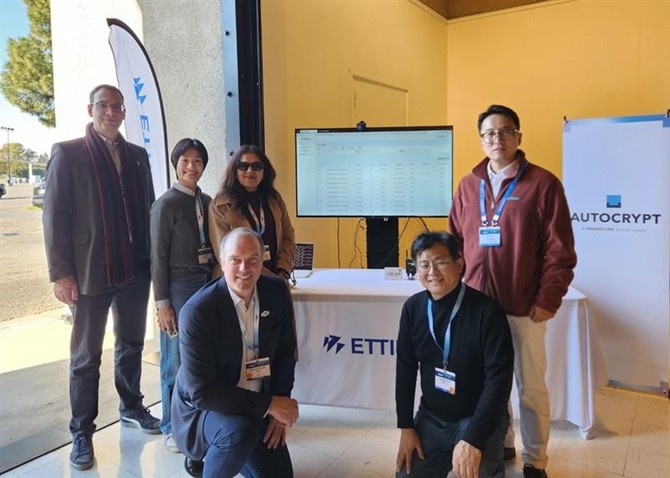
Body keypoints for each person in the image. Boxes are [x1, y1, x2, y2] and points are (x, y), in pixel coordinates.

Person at [449, 104, 577, 478]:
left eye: (506, 131)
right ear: (481, 140)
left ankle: (535, 460)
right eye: (490, 133)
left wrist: (547, 299)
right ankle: (502, 441)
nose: (498, 139)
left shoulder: (543, 184)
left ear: (519, 136)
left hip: (524, 308)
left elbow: (560, 251)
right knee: (489, 384)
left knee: (531, 389)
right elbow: (455, 243)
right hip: (477, 308)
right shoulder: (468, 185)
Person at [42, 84, 160, 471]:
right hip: (90, 271)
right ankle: (81, 431)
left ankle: (131, 406)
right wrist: (61, 273)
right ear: (90, 109)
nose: (111, 112)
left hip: (135, 269)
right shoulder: (68, 153)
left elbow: (148, 210)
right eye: (103, 105)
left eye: (117, 106)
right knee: (85, 357)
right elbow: (54, 216)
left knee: (131, 344)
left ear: (125, 111)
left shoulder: (137, 156)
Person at [171, 227, 299, 478]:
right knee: (239, 433)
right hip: (207, 408)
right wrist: (270, 405)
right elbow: (202, 393)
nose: (244, 269)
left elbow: (285, 354)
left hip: (256, 404)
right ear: (222, 261)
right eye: (235, 260)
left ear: (262, 259)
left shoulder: (276, 292)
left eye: (252, 259)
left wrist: (279, 405)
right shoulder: (198, 312)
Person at [395, 231, 513, 478]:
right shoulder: (413, 309)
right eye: (424, 265)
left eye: (440, 262)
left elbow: (499, 382)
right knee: (405, 474)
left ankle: (494, 462)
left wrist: (473, 439)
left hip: (477, 418)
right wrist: (406, 426)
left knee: (476, 472)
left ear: (459, 265)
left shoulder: (487, 312)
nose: (432, 272)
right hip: (431, 418)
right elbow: (405, 369)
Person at [150, 138, 215, 452]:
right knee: (174, 361)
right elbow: (157, 257)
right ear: (176, 164)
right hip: (178, 290)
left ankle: (199, 422)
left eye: (198, 161)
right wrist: (162, 304)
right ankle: (170, 426)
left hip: (207, 286)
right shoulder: (165, 205)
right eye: (185, 161)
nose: (192, 166)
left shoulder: (207, 201)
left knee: (203, 358)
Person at [209, 144, 295, 282]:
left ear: (264, 171)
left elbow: (288, 237)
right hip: (239, 281)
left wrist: (283, 272)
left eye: (256, 166)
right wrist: (271, 278)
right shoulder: (220, 205)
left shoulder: (274, 199)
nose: (250, 171)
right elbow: (225, 253)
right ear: (235, 170)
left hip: (277, 279)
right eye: (243, 166)